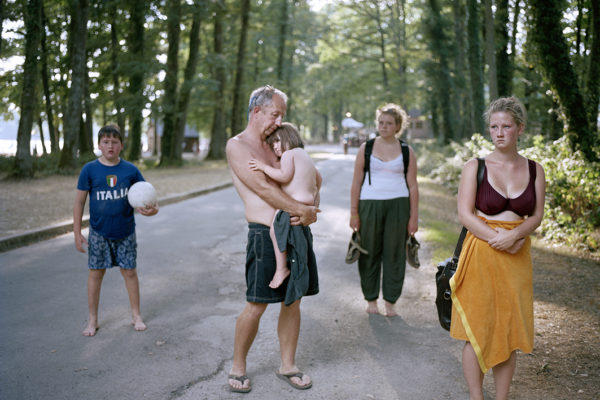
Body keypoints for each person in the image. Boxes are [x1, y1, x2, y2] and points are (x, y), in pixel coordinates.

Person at [225, 85, 319, 393]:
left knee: (293, 301)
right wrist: (302, 211)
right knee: (256, 304)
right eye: (274, 114)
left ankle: (287, 365)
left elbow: (309, 176)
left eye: (282, 116)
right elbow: (264, 190)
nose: (279, 121)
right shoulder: (238, 146)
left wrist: (311, 209)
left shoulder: (278, 144)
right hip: (265, 235)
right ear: (256, 112)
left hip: (296, 230)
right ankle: (238, 367)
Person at [450, 97, 546, 400]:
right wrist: (499, 238)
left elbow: (537, 215)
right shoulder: (474, 166)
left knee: (509, 331)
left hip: (517, 257)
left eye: (506, 126)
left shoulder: (535, 169)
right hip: (481, 251)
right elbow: (465, 214)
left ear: (520, 128)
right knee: (477, 328)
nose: (499, 132)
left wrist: (516, 235)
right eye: (494, 127)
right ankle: (477, 397)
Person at [73, 125, 159, 337]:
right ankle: (93, 320)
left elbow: (146, 196)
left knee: (130, 272)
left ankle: (136, 315)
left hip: (125, 231)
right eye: (105, 142)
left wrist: (152, 210)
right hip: (99, 232)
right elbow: (79, 202)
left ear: (121, 145)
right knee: (96, 274)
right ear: (99, 145)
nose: (110, 146)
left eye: (114, 142)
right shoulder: (90, 170)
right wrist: (76, 232)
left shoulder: (130, 170)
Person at [349, 103, 419, 317]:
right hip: (369, 204)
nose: (384, 126)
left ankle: (390, 301)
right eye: (381, 122)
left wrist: (414, 216)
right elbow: (356, 182)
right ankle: (371, 299)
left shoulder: (406, 150)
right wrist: (354, 212)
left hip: (399, 205)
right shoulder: (366, 148)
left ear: (398, 126)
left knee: (395, 253)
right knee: (369, 252)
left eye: (389, 123)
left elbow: (413, 185)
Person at [248, 122, 322, 289]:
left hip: (293, 204)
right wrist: (315, 200)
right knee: (291, 236)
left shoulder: (289, 154)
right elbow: (319, 178)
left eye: (277, 141)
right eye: (272, 143)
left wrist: (263, 167)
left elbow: (284, 176)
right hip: (305, 201)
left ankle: (281, 269)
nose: (275, 146)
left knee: (275, 230)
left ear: (289, 137)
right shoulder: (305, 155)